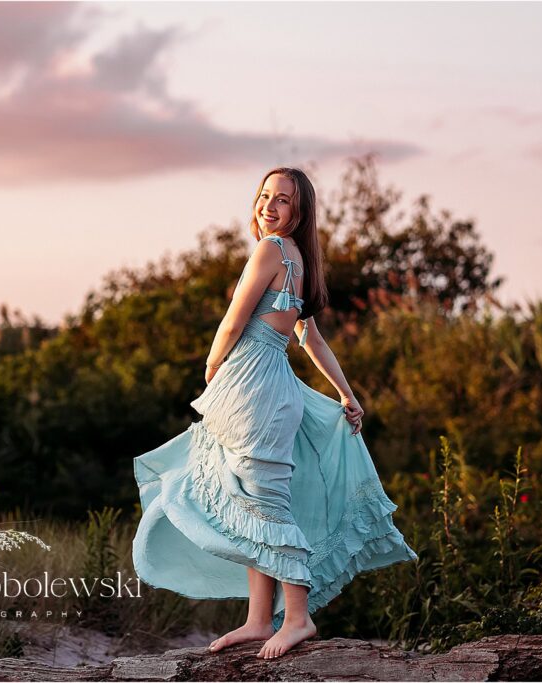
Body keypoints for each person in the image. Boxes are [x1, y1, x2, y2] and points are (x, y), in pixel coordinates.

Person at [131, 166, 418, 660]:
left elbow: (233, 320)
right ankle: (259, 619)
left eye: (282, 199)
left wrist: (212, 364)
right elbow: (309, 337)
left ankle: (298, 618)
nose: (269, 205)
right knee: (248, 495)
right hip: (273, 384)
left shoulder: (270, 250)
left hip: (256, 386)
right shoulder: (298, 257)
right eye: (264, 195)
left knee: (266, 502)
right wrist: (347, 394)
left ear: (298, 211)